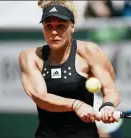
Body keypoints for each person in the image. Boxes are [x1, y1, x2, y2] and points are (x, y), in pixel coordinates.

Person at [19, 0, 120, 138]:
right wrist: (76, 105)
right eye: (48, 26)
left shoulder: (90, 51)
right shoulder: (30, 57)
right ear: (43, 28)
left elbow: (110, 90)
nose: (54, 32)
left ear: (72, 26)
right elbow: (40, 97)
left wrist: (108, 105)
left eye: (60, 26)